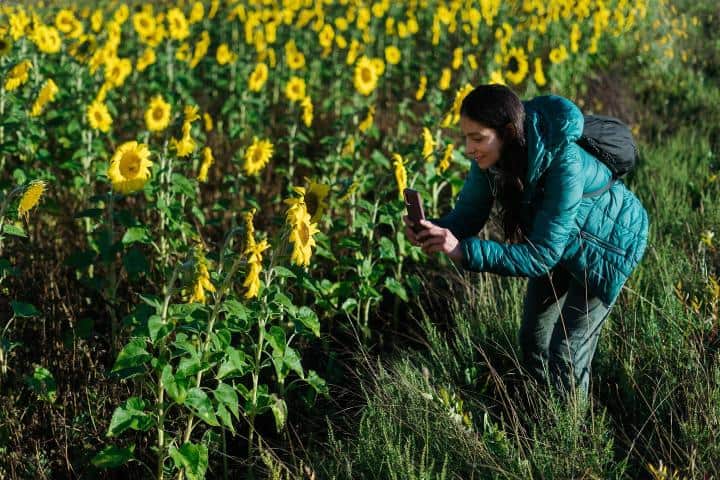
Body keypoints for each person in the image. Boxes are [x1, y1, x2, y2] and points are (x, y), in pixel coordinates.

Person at [403, 84, 649, 399]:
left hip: (607, 247)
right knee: (533, 336)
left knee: (567, 351)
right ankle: (544, 406)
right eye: (466, 137)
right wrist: (435, 230)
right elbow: (468, 214)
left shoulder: (565, 161)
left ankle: (570, 437)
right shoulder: (491, 158)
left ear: (506, 131)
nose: (468, 148)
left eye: (477, 138)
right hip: (557, 242)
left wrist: (464, 250)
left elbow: (542, 256)